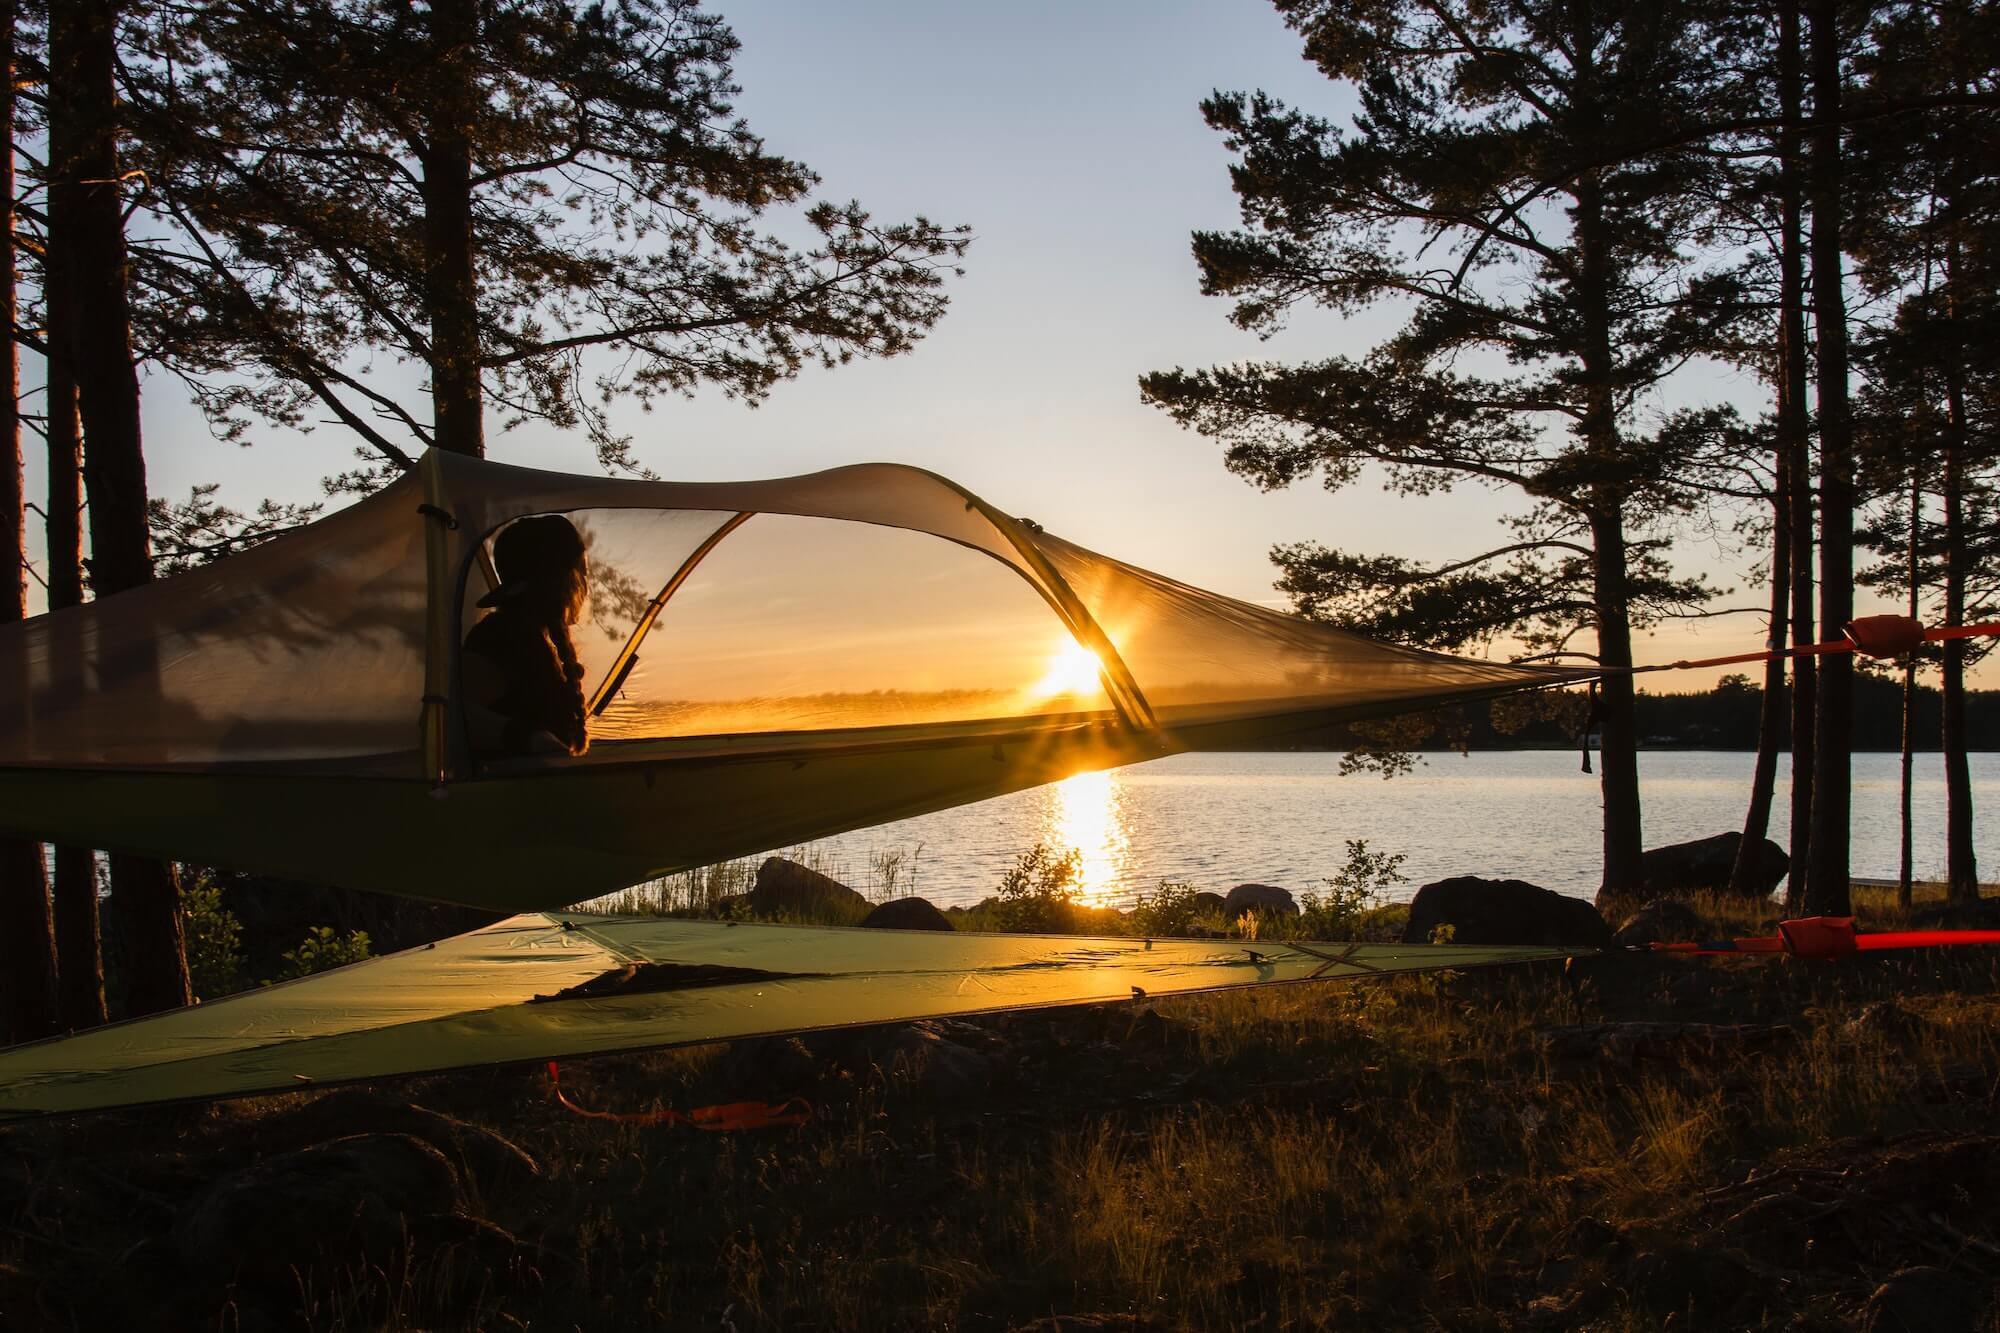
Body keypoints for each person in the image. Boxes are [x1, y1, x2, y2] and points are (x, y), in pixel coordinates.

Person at [461, 514, 592, 758]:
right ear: (556, 581)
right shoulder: (497, 636)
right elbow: (450, 719)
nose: (582, 587)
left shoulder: (538, 639)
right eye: (578, 574)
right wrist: (529, 738)